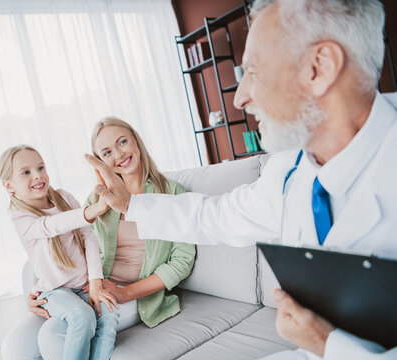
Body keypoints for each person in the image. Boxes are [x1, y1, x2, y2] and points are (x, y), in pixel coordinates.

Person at [85, 0, 397, 359]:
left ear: (320, 67)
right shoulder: (289, 170)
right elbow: (213, 216)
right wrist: (130, 204)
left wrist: (329, 345)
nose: (239, 98)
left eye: (255, 71)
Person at [1, 119, 196, 359]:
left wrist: (125, 293)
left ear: (136, 140)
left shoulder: (173, 193)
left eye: (122, 141)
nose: (118, 154)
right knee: (17, 345)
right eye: (107, 152)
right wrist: (42, 293)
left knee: (51, 335)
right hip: (91, 286)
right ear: (100, 161)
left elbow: (182, 262)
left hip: (132, 294)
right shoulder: (99, 197)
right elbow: (70, 237)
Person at [0, 145, 119, 360]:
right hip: (54, 290)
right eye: (26, 172)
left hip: (83, 284)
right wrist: (94, 210)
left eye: (40, 167)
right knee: (82, 316)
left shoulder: (64, 197)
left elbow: (89, 238)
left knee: (109, 316)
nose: (37, 175)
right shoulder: (20, 218)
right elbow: (51, 225)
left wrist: (95, 282)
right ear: (9, 186)